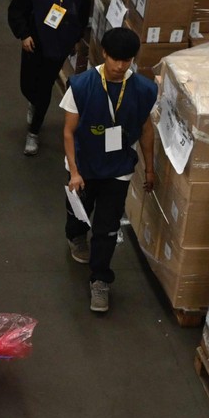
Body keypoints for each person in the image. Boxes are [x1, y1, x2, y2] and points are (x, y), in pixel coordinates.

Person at [62, 27, 158, 314]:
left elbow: (146, 130)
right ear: (103, 53)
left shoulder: (144, 89)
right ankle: (76, 235)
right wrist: (75, 172)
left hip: (118, 167)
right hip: (84, 164)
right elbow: (69, 132)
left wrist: (150, 169)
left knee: (107, 227)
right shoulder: (81, 86)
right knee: (78, 211)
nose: (119, 66)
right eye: (115, 59)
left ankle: (100, 279)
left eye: (126, 60)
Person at [7, 0, 94, 155]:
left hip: (59, 42)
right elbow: (17, 8)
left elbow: (85, 11)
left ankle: (33, 132)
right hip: (34, 39)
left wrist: (76, 37)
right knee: (28, 85)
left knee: (45, 87)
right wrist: (23, 34)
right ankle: (33, 101)